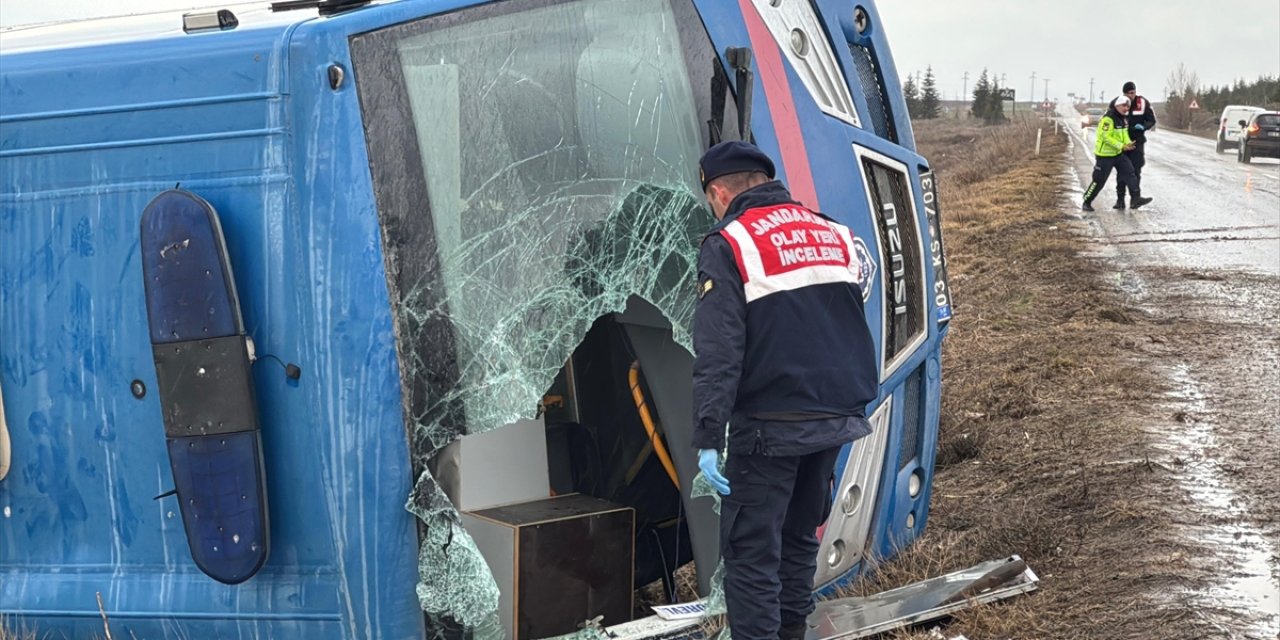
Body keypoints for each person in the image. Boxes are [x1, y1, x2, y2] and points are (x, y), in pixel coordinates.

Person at [690, 141, 878, 640]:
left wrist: (709, 434)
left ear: (718, 191)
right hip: (835, 416)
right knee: (797, 540)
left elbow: (719, 349)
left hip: (770, 426)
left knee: (751, 553)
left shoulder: (729, 241)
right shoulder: (832, 231)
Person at [1082, 96, 1152, 212]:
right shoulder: (1108, 119)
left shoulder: (1123, 119)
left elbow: (1124, 134)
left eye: (1128, 106)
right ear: (1117, 106)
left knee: (1131, 173)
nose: (1126, 108)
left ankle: (1136, 198)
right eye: (1124, 106)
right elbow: (1105, 137)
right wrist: (1121, 146)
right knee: (1099, 181)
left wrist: (1128, 144)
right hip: (1104, 156)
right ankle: (1087, 201)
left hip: (1118, 154)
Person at [1116, 81, 1157, 208]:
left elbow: (1151, 120)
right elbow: (1111, 118)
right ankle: (1120, 200)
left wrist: (1143, 127)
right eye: (1128, 93)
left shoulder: (1143, 102)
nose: (1131, 96)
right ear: (1124, 93)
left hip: (1137, 142)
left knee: (1136, 170)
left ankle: (1135, 199)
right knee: (1122, 171)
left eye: (1133, 93)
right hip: (1123, 142)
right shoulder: (1118, 103)